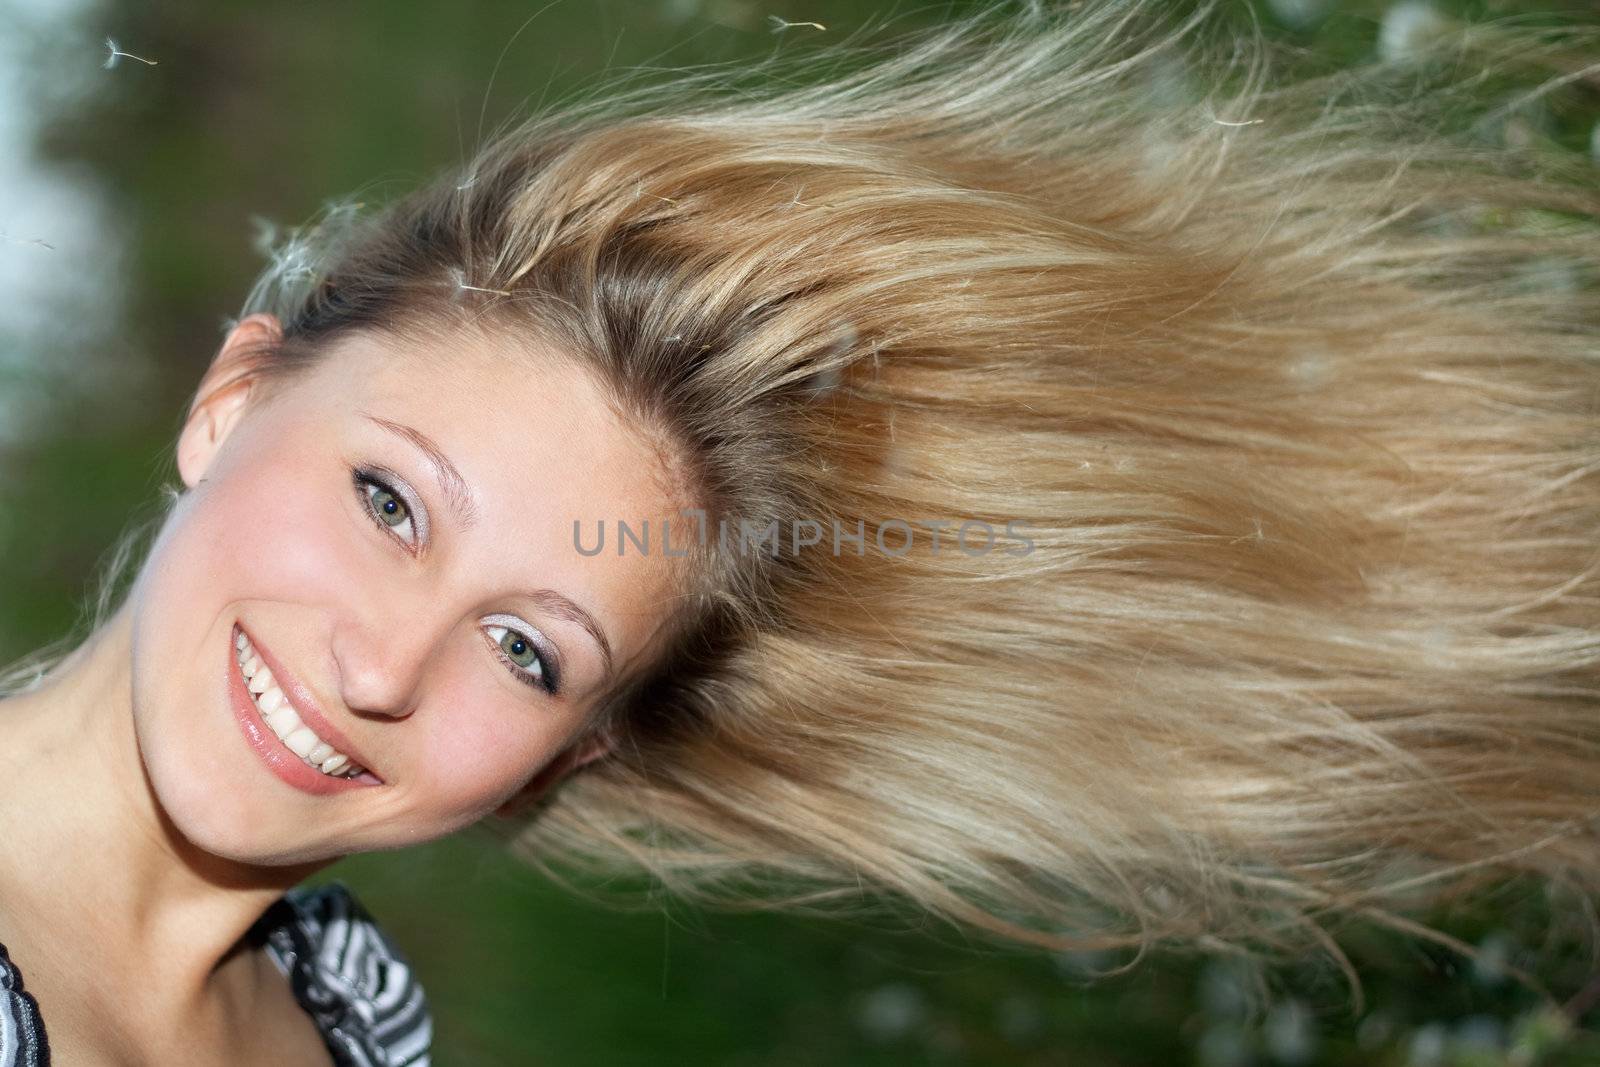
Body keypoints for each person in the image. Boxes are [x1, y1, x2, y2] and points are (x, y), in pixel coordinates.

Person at [3, 0, 1599, 1060]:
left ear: (570, 759)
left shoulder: (354, 1018)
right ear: (231, 396)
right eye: (389, 501)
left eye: (524, 647)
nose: (379, 664)